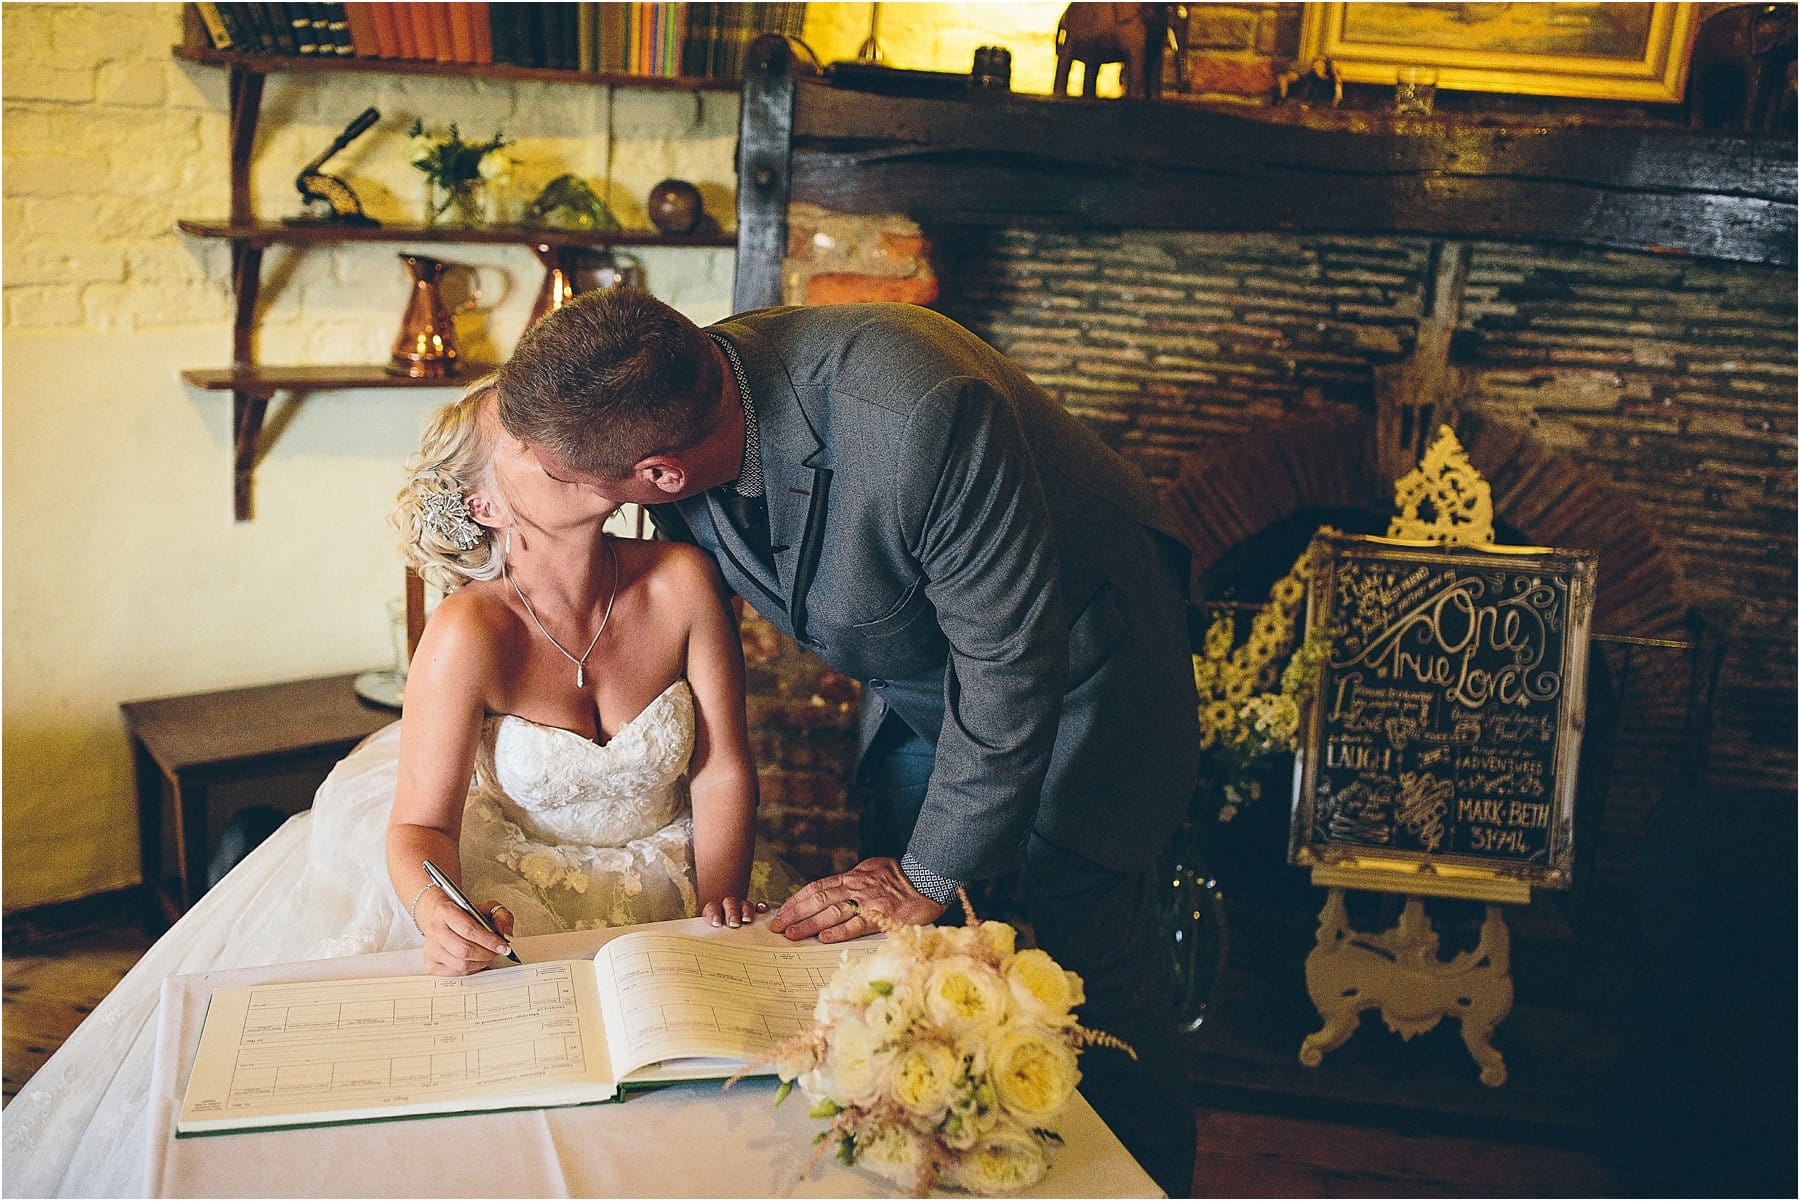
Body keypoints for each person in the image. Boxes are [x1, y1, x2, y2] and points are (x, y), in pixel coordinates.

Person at [3, 378, 794, 1197]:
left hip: (688, 870)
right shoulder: (468, 632)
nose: (565, 438)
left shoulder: (684, 579)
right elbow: (418, 827)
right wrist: (435, 912)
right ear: (483, 503)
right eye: (529, 437)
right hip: (519, 885)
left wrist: (721, 903)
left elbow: (721, 765)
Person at [498, 292, 1201, 1195]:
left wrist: (926, 872)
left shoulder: (921, 414)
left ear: (663, 475)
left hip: (1087, 675)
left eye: (573, 483)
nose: (557, 493)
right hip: (921, 683)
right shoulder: (678, 401)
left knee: (1086, 972)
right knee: (913, 976)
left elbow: (1010, 661)